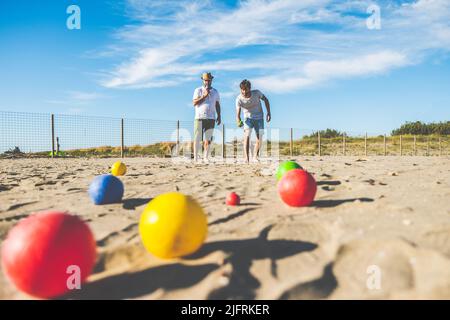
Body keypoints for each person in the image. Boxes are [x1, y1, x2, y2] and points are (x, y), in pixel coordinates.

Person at [235, 79, 271, 163]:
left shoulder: (257, 93)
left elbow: (266, 100)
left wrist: (268, 113)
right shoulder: (238, 99)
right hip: (248, 118)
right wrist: (238, 119)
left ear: (249, 88)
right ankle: (246, 158)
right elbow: (238, 112)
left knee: (259, 137)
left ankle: (255, 157)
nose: (244, 91)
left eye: (246, 89)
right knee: (247, 136)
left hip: (259, 118)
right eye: (242, 89)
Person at [192, 72, 221, 162]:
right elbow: (194, 103)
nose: (207, 82)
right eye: (205, 80)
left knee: (208, 139)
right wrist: (204, 96)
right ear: (203, 81)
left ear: (211, 80)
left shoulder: (215, 91)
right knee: (197, 138)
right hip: (199, 117)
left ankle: (205, 157)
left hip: (211, 118)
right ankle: (196, 158)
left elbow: (217, 104)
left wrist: (219, 116)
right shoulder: (198, 90)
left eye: (208, 80)